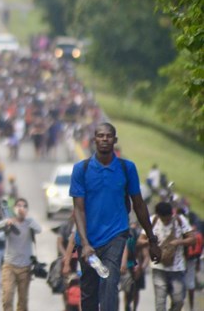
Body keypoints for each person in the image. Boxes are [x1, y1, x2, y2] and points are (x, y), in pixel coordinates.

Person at [69, 122, 161, 311]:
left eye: (108, 136)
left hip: (115, 235)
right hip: (87, 240)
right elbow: (78, 209)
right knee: (89, 294)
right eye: (100, 136)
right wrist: (85, 244)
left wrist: (152, 240)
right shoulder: (81, 169)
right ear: (94, 140)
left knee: (110, 283)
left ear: (115, 140)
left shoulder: (127, 168)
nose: (104, 139)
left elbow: (139, 205)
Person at [138, 202, 194, 311]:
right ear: (158, 215)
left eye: (168, 219)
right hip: (158, 267)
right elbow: (140, 241)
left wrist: (178, 242)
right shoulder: (152, 221)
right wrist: (151, 241)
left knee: (179, 300)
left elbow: (192, 239)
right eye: (164, 220)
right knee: (160, 302)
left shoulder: (180, 220)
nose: (166, 222)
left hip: (177, 268)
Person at [0, 198, 42, 311]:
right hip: (10, 266)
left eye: (24, 206)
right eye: (19, 206)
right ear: (14, 208)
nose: (21, 208)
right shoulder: (10, 222)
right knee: (7, 297)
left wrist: (28, 219)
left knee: (23, 301)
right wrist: (7, 222)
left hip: (25, 267)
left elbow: (39, 229)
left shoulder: (29, 223)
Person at [184, 221, 202, 311]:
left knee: (182, 284)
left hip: (183, 261)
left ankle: (181, 305)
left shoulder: (183, 231)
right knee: (191, 284)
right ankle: (191, 307)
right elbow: (199, 249)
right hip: (192, 260)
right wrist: (198, 263)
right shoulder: (196, 234)